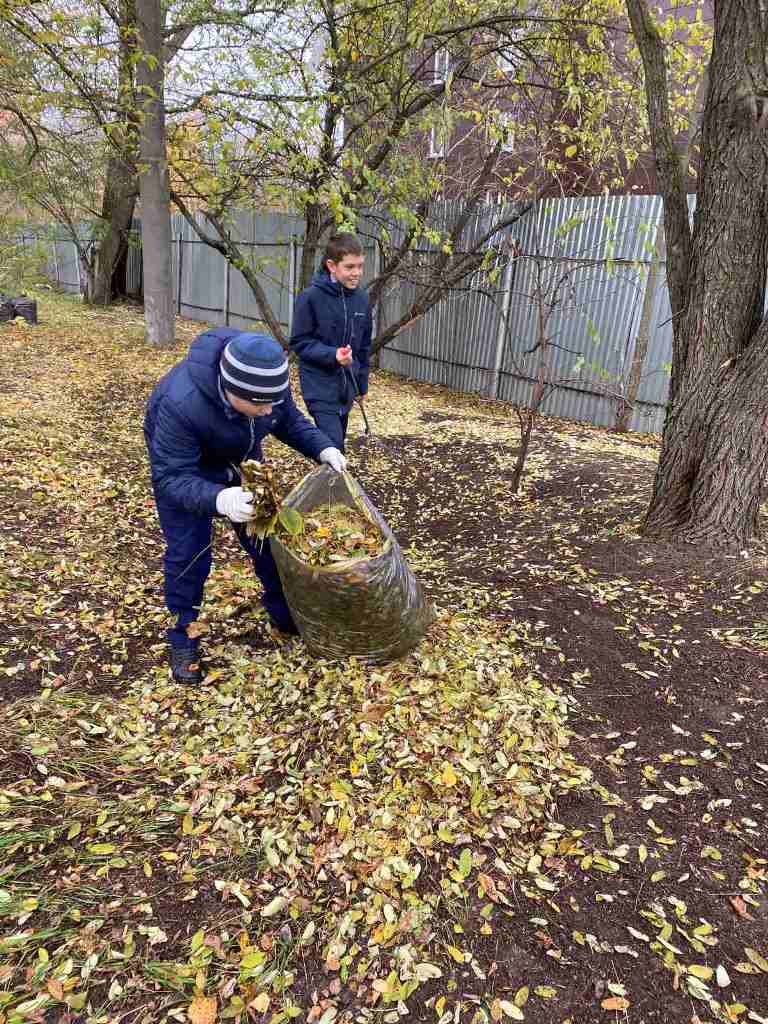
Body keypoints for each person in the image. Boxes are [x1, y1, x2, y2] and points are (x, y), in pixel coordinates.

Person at [144, 326, 346, 684]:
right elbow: (172, 477)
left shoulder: (266, 382)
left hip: (242, 461)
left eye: (272, 401)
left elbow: (288, 420)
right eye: (260, 405)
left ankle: (284, 613)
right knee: (189, 553)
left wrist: (323, 447)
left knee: (267, 540)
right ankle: (183, 635)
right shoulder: (179, 403)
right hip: (187, 470)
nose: (268, 410)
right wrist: (220, 498)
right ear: (230, 390)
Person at [290, 232, 372, 451]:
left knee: (335, 446)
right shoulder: (311, 297)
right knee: (334, 447)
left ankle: (326, 470)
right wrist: (332, 354)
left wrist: (361, 385)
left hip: (346, 388)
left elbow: (364, 347)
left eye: (360, 266)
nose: (357, 273)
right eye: (350, 267)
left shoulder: (362, 299)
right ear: (331, 266)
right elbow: (299, 342)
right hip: (319, 386)